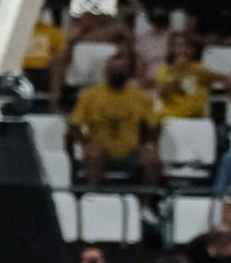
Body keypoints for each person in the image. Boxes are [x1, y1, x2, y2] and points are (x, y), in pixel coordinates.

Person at [69, 55, 162, 192]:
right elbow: (73, 124)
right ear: (106, 71)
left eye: (121, 69)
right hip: (102, 151)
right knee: (93, 153)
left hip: (131, 152)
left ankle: (145, 207)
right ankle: (93, 198)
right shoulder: (90, 95)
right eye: (114, 69)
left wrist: (146, 144)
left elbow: (155, 125)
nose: (117, 73)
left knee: (151, 159)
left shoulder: (139, 96)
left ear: (127, 72)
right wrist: (86, 143)